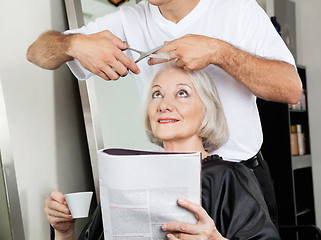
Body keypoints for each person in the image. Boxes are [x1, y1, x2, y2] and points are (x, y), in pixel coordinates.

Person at [28, 0, 303, 227]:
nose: (165, 104)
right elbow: (36, 53)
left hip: (239, 181)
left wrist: (218, 52)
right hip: (168, 181)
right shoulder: (129, 20)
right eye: (158, 94)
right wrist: (72, 45)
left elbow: (291, 89)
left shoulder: (237, 9)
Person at [44, 66, 280, 239]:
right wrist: (64, 232)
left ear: (207, 110)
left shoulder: (230, 177)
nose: (164, 104)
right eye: (157, 94)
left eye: (182, 93)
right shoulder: (126, 177)